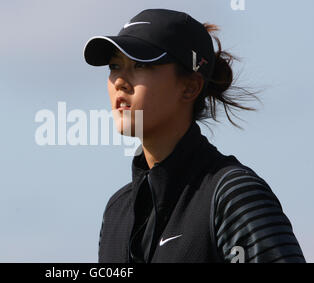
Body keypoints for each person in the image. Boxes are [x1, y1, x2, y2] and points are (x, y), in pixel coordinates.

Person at [83, 8, 305, 263]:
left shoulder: (234, 196)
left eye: (141, 64)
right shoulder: (116, 212)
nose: (119, 81)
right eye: (114, 66)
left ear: (190, 86)